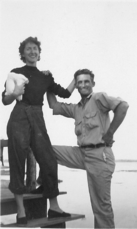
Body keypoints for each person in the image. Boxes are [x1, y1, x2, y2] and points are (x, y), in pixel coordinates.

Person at [1, 37, 75, 226]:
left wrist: (76, 78)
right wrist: (16, 92)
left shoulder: (45, 76)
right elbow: (5, 100)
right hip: (19, 116)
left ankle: (54, 207)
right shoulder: (15, 72)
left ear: (39, 53)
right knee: (18, 160)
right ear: (23, 53)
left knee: (49, 159)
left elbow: (64, 93)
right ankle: (20, 211)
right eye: (28, 49)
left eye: (35, 49)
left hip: (38, 116)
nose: (33, 52)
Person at [47, 69, 129, 229]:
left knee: (101, 207)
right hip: (81, 154)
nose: (83, 85)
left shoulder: (99, 98)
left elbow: (123, 106)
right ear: (76, 86)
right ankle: (46, 186)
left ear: (92, 84)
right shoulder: (76, 108)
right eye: (79, 82)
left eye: (86, 81)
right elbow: (54, 105)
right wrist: (47, 84)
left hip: (100, 156)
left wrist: (110, 132)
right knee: (46, 149)